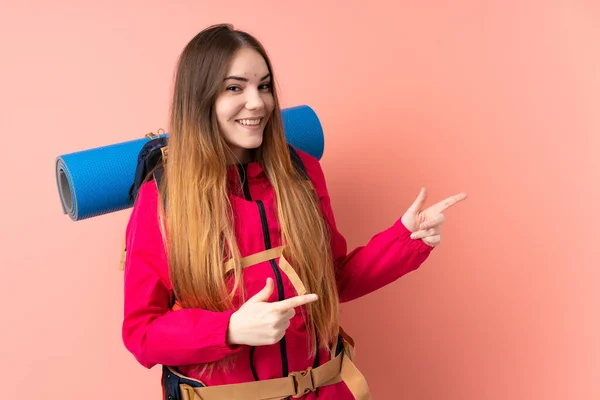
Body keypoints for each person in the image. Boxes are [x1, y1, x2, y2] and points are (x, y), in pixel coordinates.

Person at [122, 23, 467, 400]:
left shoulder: (301, 172)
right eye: (235, 87)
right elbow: (142, 332)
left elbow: (331, 282)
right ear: (200, 98)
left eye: (264, 86)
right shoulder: (162, 199)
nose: (257, 103)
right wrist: (229, 329)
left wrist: (404, 238)